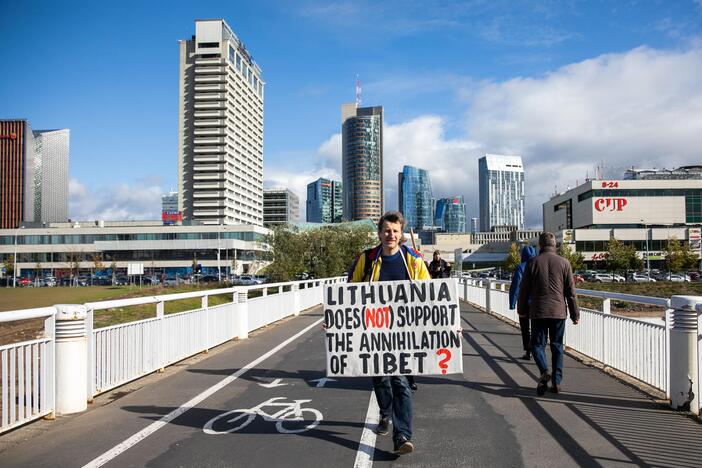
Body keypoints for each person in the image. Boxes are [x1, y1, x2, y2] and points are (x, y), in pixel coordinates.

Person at [347, 211, 431, 454]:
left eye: (395, 231)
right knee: (380, 378)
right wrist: (335, 321)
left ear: (401, 234)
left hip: (403, 332)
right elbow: (349, 294)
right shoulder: (367, 259)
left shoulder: (413, 260)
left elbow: (432, 297)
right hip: (373, 331)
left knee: (401, 381)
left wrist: (448, 324)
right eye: (386, 230)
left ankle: (402, 435)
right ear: (379, 233)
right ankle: (385, 412)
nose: (390, 235)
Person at [517, 232, 579, 395]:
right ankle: (557, 382)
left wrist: (522, 310)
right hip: (558, 312)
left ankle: (544, 371)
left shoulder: (532, 263)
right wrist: (575, 314)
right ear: (554, 245)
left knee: (537, 345)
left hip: (538, 311)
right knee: (557, 346)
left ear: (540, 245)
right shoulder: (565, 263)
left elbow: (524, 291)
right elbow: (570, 292)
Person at [508, 245, 537, 360]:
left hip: (524, 303)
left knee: (525, 328)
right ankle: (537, 349)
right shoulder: (538, 265)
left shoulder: (520, 267)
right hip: (537, 303)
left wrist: (512, 303)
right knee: (536, 328)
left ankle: (527, 351)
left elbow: (515, 287)